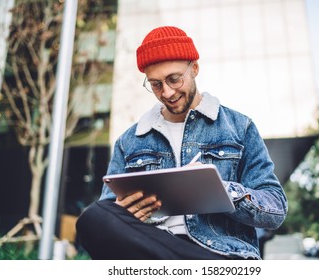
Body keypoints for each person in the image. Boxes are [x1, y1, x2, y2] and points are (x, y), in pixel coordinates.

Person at [76, 26, 288, 260]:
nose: (166, 92)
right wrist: (122, 210)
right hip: (152, 247)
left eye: (174, 79)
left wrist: (222, 189)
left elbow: (275, 209)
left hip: (219, 254)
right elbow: (107, 216)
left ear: (194, 68)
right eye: (155, 84)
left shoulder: (239, 127)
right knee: (93, 217)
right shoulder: (129, 141)